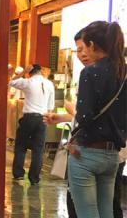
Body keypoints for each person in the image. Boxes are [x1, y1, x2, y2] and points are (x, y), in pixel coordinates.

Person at [46, 28, 125, 218]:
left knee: (86, 213)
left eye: (84, 47)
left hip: (86, 154)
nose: (83, 53)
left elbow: (84, 117)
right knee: (106, 212)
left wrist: (71, 109)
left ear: (91, 44)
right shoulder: (123, 72)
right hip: (112, 155)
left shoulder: (90, 72)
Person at [9, 63, 55, 185]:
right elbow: (50, 106)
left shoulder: (28, 82)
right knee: (38, 150)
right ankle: (34, 178)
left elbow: (11, 82)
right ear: (40, 71)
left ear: (30, 73)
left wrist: (24, 71)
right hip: (43, 118)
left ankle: (18, 174)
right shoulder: (49, 84)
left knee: (21, 146)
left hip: (29, 118)